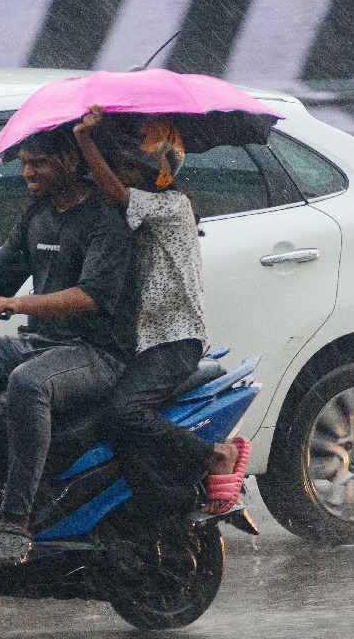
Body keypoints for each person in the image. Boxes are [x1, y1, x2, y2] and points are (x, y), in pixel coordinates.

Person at [0, 126, 138, 566]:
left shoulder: (106, 219)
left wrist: (14, 303)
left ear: (72, 161)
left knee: (27, 384)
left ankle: (15, 523)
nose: (27, 172)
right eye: (23, 163)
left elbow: (90, 297)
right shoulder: (37, 214)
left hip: (96, 353)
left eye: (38, 162)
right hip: (37, 343)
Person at [72, 106, 249, 517]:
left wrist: (85, 141)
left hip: (176, 338)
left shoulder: (171, 206)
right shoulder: (143, 213)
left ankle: (215, 456)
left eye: (128, 169)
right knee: (104, 420)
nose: (118, 177)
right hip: (148, 339)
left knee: (125, 413)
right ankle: (154, 504)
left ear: (159, 172)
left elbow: (117, 194)